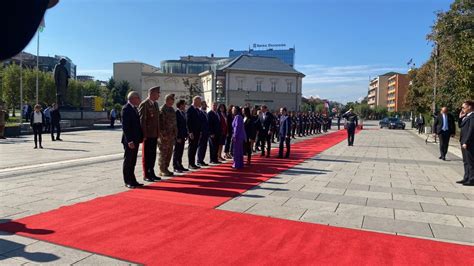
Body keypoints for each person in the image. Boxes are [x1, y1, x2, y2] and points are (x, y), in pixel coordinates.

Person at [121, 91, 144, 189]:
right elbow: (126, 127)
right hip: (129, 140)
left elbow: (138, 125)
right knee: (128, 161)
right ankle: (128, 181)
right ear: (133, 98)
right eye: (138, 98)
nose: (139, 100)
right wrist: (129, 140)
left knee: (133, 161)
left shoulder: (134, 108)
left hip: (135, 139)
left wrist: (141, 137)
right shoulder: (126, 109)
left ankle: (133, 179)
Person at [138, 86, 161, 182]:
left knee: (152, 155)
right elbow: (142, 120)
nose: (159, 95)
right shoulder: (144, 104)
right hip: (147, 135)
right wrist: (144, 135)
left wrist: (158, 132)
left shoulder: (155, 104)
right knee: (146, 155)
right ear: (151, 93)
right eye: (157, 93)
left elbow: (157, 120)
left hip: (154, 134)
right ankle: (146, 174)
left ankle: (151, 172)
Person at [159, 94, 177, 177]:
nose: (173, 101)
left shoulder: (172, 109)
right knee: (163, 153)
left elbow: (174, 123)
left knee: (169, 153)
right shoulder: (162, 109)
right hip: (164, 137)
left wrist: (175, 134)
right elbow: (160, 124)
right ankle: (162, 169)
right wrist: (163, 135)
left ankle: (166, 168)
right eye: (171, 99)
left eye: (173, 100)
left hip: (171, 136)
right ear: (167, 100)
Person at [458, 100, 474, 186]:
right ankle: (466, 177)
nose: (462, 109)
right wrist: (460, 117)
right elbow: (460, 126)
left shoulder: (472, 117)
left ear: (470, 107)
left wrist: (466, 141)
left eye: (464, 107)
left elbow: (471, 130)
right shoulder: (467, 116)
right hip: (463, 141)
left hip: (468, 142)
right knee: (465, 161)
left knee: (470, 161)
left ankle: (471, 179)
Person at [187, 96, 202, 170]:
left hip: (197, 132)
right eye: (199, 101)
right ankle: (190, 163)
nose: (200, 103)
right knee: (191, 148)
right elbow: (188, 121)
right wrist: (190, 132)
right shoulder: (190, 109)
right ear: (195, 101)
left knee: (195, 147)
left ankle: (193, 163)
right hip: (192, 132)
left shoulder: (197, 110)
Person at [173, 100, 188, 173]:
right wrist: (177, 137)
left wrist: (186, 134)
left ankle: (180, 164)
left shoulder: (183, 113)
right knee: (177, 151)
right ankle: (175, 166)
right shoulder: (176, 113)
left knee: (181, 151)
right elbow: (176, 126)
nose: (184, 106)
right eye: (183, 104)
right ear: (180, 105)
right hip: (178, 136)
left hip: (182, 135)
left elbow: (185, 125)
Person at [197, 101, 209, 167]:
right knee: (201, 147)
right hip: (202, 132)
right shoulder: (200, 112)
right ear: (201, 105)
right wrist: (201, 131)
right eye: (204, 105)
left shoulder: (205, 113)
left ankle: (202, 160)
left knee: (204, 147)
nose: (206, 106)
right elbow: (200, 123)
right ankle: (199, 160)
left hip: (206, 132)